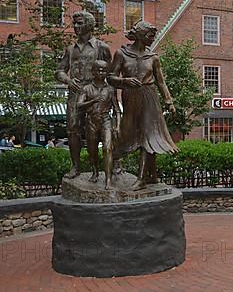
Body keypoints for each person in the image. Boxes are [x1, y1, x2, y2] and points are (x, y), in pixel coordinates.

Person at [109, 21, 178, 190]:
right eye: (150, 35)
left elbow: (161, 82)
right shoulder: (121, 54)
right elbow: (110, 77)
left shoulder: (153, 57)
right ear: (140, 35)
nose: (152, 39)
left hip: (149, 97)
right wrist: (124, 81)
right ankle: (144, 174)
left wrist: (169, 101)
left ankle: (142, 178)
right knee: (126, 133)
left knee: (149, 134)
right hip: (130, 97)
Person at [56, 11, 111, 179]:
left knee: (103, 130)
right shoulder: (70, 49)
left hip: (96, 92)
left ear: (89, 25)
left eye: (79, 23)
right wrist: (68, 80)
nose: (75, 27)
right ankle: (76, 167)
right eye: (75, 24)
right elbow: (59, 71)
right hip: (75, 93)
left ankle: (114, 164)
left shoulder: (102, 47)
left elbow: (111, 71)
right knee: (73, 129)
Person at [77, 60, 121, 188]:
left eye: (103, 70)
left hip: (106, 120)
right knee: (92, 150)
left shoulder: (110, 89)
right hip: (91, 121)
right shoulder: (86, 88)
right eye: (98, 70)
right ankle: (95, 172)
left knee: (108, 148)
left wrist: (117, 126)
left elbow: (117, 110)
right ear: (93, 72)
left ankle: (108, 180)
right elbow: (79, 105)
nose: (101, 73)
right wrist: (93, 101)